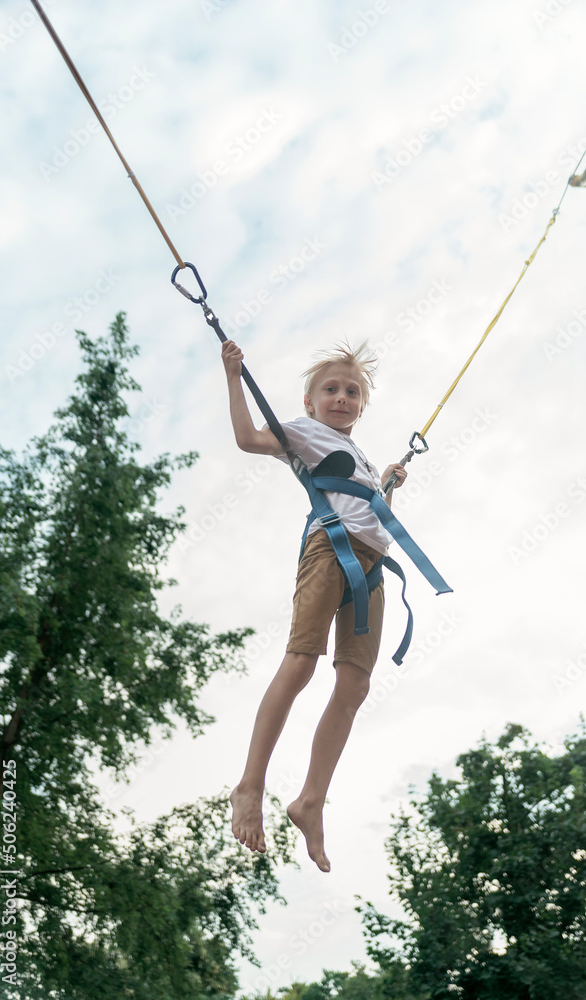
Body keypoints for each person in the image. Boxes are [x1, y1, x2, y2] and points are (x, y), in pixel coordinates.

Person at [222, 338, 407, 873]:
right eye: (331, 389)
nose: (342, 397)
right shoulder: (304, 434)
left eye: (352, 391)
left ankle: (310, 801)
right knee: (302, 660)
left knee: (355, 685)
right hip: (330, 549)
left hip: (370, 565)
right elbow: (247, 438)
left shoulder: (364, 458)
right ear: (310, 403)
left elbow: (372, 514)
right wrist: (235, 377)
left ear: (362, 405)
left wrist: (388, 485)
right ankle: (250, 784)